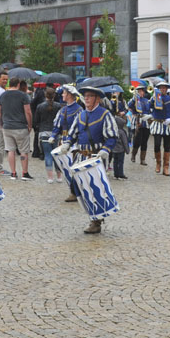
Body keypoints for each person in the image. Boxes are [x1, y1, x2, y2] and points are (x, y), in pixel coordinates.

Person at [57, 84, 118, 233]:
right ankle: (92, 215)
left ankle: (96, 220)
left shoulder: (105, 114)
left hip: (96, 157)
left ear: (97, 99)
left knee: (95, 188)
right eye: (85, 96)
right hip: (80, 157)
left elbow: (112, 136)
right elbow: (72, 134)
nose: (87, 99)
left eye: (90, 96)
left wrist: (105, 150)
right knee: (79, 188)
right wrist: (66, 144)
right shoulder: (81, 115)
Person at [49, 84, 84, 201]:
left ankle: (77, 192)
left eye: (64, 93)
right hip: (63, 141)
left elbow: (81, 128)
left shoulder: (79, 110)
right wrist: (53, 136)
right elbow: (57, 126)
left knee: (74, 168)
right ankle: (73, 191)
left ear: (69, 95)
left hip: (75, 143)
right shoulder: (63, 110)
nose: (62, 95)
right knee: (66, 169)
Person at [0, 76, 33, 181]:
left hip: (7, 127)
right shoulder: (23, 95)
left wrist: (2, 124)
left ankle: (13, 173)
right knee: (23, 151)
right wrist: (30, 125)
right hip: (20, 127)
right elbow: (28, 112)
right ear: (18, 85)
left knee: (10, 150)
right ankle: (24, 173)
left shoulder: (2, 96)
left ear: (9, 84)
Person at [149, 81, 170, 176]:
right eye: (161, 88)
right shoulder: (155, 98)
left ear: (167, 89)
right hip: (157, 123)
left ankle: (166, 167)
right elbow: (149, 107)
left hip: (168, 125)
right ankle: (158, 163)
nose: (162, 89)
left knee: (167, 146)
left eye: (164, 88)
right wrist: (153, 99)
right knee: (157, 144)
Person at [34, 87, 62, 183]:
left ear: (45, 95)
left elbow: (36, 120)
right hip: (56, 133)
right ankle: (59, 176)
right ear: (54, 95)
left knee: (47, 155)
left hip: (44, 132)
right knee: (57, 155)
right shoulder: (59, 106)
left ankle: (50, 177)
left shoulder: (40, 106)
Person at [128, 84, 151, 166]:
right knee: (137, 140)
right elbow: (129, 105)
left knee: (145, 141)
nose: (141, 92)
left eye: (142, 91)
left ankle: (143, 159)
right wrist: (134, 98)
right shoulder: (134, 99)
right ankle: (133, 155)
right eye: (139, 91)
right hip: (137, 120)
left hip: (146, 121)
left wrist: (149, 115)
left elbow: (149, 109)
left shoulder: (146, 100)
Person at [113, 112, 129, 179]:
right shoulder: (122, 132)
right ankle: (121, 174)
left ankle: (116, 174)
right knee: (120, 162)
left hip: (114, 150)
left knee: (115, 162)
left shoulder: (113, 131)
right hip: (121, 150)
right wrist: (127, 150)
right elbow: (125, 142)